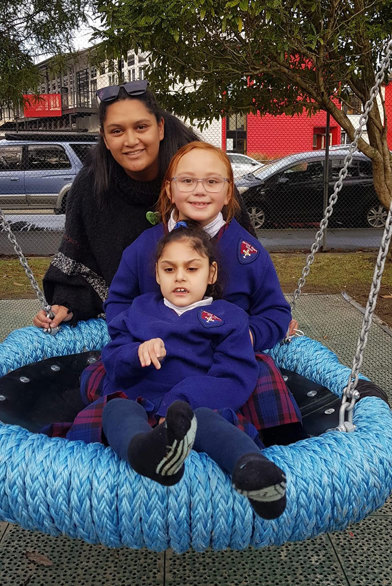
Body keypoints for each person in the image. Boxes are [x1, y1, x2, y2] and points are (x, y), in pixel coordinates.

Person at [101, 141, 305, 446]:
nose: (200, 190)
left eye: (212, 181)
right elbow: (118, 301)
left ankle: (286, 452)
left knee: (261, 373)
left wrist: (248, 336)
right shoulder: (145, 246)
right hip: (159, 356)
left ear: (228, 192)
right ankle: (141, 444)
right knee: (109, 379)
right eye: (187, 181)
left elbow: (275, 312)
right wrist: (133, 335)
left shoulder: (246, 251)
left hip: (224, 360)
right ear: (169, 190)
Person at [33, 80, 253, 330]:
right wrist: (66, 303)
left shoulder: (201, 172)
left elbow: (245, 253)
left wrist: (266, 315)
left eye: (141, 127)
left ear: (160, 128)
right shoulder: (91, 185)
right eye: (116, 131)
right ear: (104, 138)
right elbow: (79, 263)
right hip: (136, 325)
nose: (130, 140)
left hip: (210, 323)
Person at [100, 223, 287, 519]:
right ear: (157, 275)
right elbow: (112, 357)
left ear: (210, 273)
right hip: (140, 400)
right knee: (115, 410)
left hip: (197, 406)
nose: (180, 277)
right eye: (169, 269)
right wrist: (135, 353)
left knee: (211, 424)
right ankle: (145, 453)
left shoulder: (229, 317)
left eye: (192, 268)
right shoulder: (139, 310)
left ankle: (253, 470)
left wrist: (180, 401)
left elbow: (234, 375)